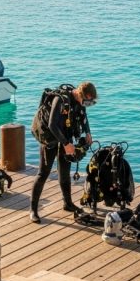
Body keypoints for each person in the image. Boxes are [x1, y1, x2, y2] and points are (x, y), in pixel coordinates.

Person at [29, 81, 97, 224]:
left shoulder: (79, 102)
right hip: (50, 137)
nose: (86, 105)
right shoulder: (60, 100)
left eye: (89, 103)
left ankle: (67, 203)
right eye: (86, 101)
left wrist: (88, 132)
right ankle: (33, 210)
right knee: (43, 173)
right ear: (79, 94)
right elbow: (51, 125)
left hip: (65, 136)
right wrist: (66, 144)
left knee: (65, 171)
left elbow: (84, 117)